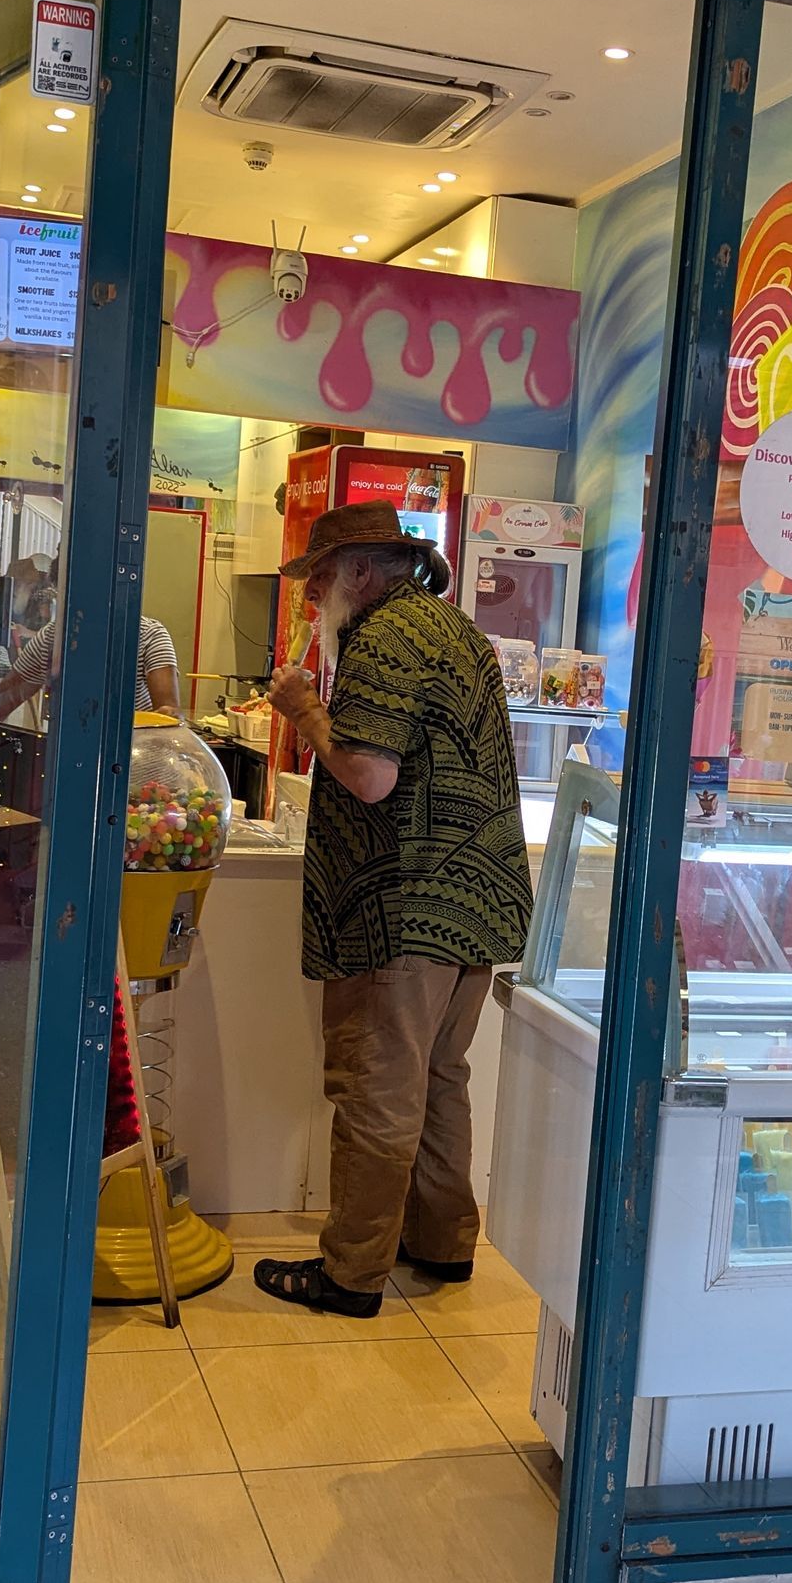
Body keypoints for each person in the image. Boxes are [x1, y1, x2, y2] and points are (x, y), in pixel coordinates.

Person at [254, 503, 534, 1318]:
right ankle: (442, 1245)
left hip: (402, 908)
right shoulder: (456, 632)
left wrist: (303, 710)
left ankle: (351, 1274)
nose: (313, 599)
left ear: (357, 572)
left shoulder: (382, 637)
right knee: (440, 1078)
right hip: (476, 905)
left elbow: (370, 777)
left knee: (379, 1088)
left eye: (318, 580)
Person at [0, 606, 179, 718]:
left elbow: (168, 713)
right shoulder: (52, 636)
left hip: (137, 760)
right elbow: (2, 701)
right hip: (72, 758)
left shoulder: (149, 635)